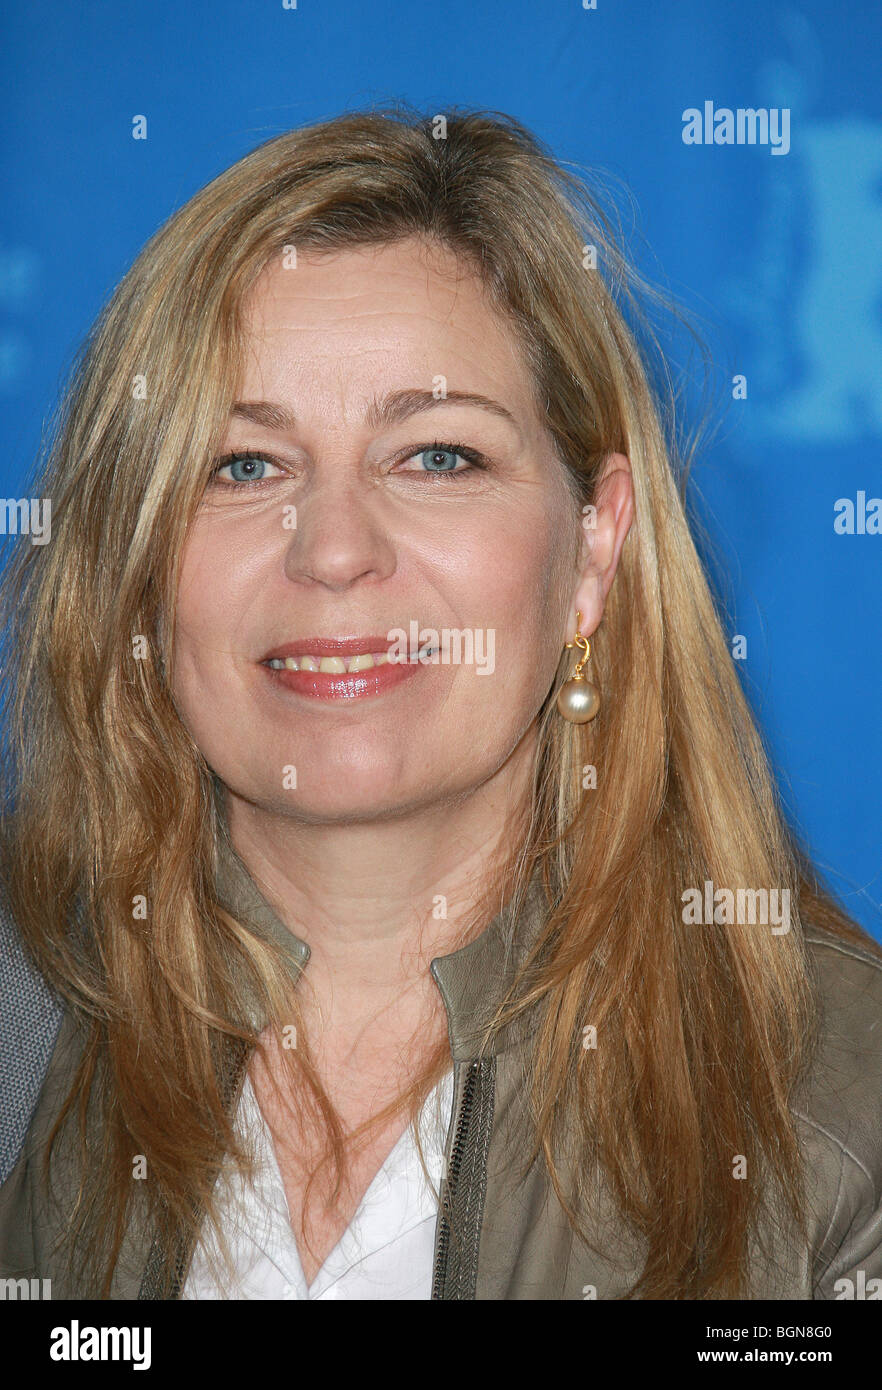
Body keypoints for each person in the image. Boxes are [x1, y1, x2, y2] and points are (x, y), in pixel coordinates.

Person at [0, 106, 879, 1302]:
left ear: (593, 547)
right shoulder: (20, 1025)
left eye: (438, 455)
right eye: (243, 464)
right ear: (138, 565)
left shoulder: (840, 1114)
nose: (336, 550)